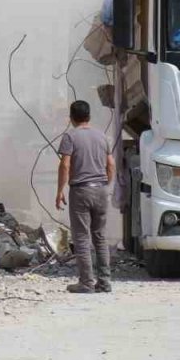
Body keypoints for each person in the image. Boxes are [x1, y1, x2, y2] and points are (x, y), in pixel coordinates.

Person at [55, 100, 114, 294]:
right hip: (101, 189)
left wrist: (60, 191)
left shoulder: (70, 136)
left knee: (81, 237)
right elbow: (111, 164)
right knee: (100, 237)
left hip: (80, 190)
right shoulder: (102, 136)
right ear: (89, 116)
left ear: (71, 117)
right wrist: (106, 185)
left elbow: (65, 165)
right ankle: (104, 282)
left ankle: (86, 283)